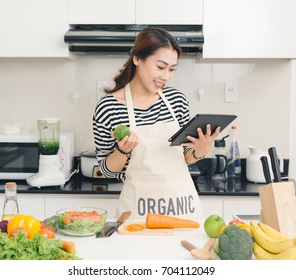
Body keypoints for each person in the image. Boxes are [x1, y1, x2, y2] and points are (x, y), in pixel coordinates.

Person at [92, 27, 220, 220]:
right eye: (160, 67)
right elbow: (106, 170)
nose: (166, 76)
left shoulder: (177, 101)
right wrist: (122, 151)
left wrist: (201, 149)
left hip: (182, 210)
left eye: (171, 69)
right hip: (137, 215)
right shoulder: (108, 107)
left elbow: (186, 156)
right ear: (137, 59)